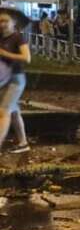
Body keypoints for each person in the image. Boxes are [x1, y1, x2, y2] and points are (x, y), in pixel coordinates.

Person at [0, 12, 31, 154]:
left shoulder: (18, 38)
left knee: (3, 112)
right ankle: (23, 143)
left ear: (13, 23)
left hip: (16, 79)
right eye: (0, 21)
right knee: (13, 112)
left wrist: (5, 54)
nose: (2, 24)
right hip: (4, 80)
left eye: (5, 21)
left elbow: (26, 58)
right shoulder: (1, 38)